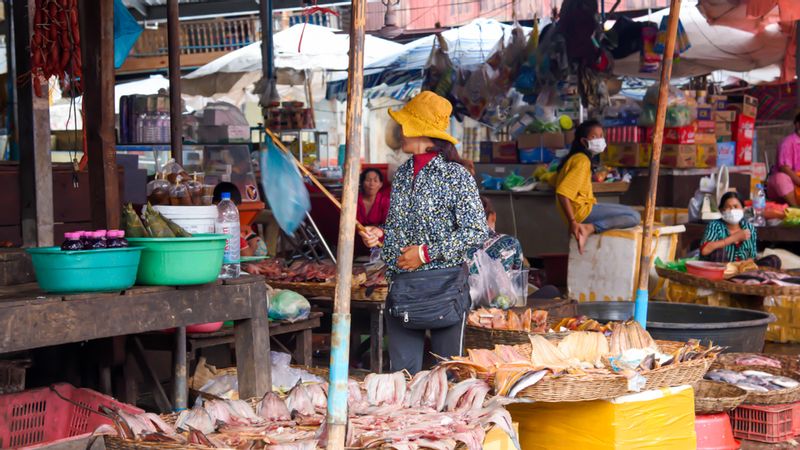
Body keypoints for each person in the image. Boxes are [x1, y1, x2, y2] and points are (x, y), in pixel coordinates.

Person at [359, 91, 488, 375]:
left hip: (444, 288)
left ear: (422, 132)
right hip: (403, 287)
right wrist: (381, 235)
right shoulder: (404, 173)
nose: (399, 132)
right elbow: (399, 227)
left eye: (405, 125)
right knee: (402, 377)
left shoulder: (456, 175)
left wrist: (424, 253)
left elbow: (477, 231)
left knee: (447, 374)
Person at [554, 119, 640, 253]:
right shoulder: (582, 161)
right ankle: (589, 228)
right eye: (594, 136)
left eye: (601, 136)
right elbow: (563, 193)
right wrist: (573, 222)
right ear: (583, 141)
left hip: (582, 210)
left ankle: (589, 227)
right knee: (634, 216)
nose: (600, 140)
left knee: (629, 212)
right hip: (582, 213)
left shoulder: (575, 158)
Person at [700, 192, 757, 262]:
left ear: (743, 209)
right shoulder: (715, 225)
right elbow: (704, 250)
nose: (732, 210)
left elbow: (752, 257)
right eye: (728, 207)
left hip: (740, 270)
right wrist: (734, 238)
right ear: (721, 211)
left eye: (736, 206)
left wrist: (742, 267)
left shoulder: (749, 228)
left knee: (772, 259)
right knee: (718, 252)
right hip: (717, 269)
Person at [767, 113, 800, 206]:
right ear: (797, 124)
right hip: (787, 186)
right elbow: (784, 169)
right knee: (781, 178)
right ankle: (796, 209)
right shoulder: (788, 142)